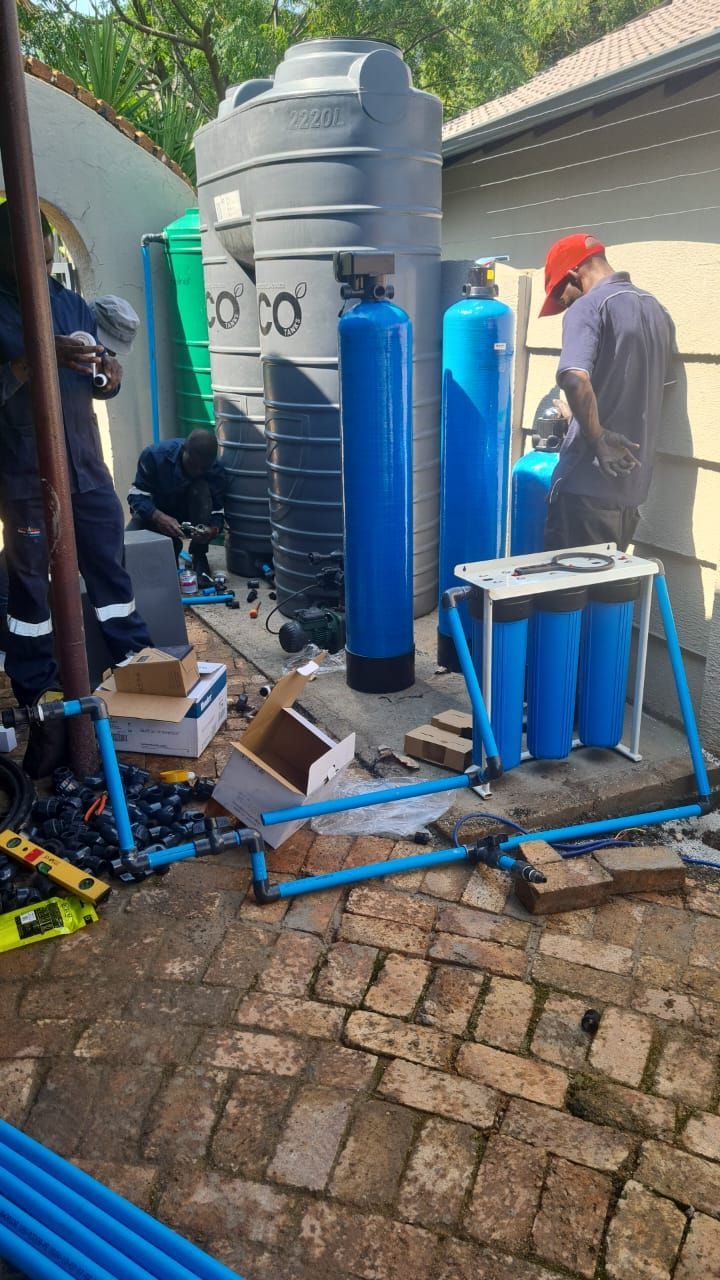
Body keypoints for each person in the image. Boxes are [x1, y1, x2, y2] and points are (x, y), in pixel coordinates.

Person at [0, 201, 151, 773]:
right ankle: (40, 708)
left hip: (85, 470)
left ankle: (140, 676)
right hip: (24, 477)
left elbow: (95, 379)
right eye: (16, 239)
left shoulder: (70, 303)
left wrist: (108, 374)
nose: (32, 248)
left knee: (112, 577)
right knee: (31, 598)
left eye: (38, 239)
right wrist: (31, 363)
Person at [539, 232, 675, 552]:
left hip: (584, 490)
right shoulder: (658, 311)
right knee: (606, 600)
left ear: (575, 273)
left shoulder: (589, 307)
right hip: (629, 494)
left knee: (565, 598)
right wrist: (583, 414)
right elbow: (655, 391)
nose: (564, 304)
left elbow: (574, 378)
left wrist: (597, 436)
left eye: (562, 294)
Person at [127, 430, 226, 579]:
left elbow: (218, 512)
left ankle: (199, 554)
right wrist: (158, 516)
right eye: (193, 465)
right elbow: (136, 495)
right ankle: (172, 544)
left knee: (201, 490)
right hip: (154, 515)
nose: (197, 471)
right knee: (127, 548)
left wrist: (211, 531)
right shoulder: (154, 456)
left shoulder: (215, 469)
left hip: (190, 517)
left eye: (203, 468)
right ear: (183, 450)